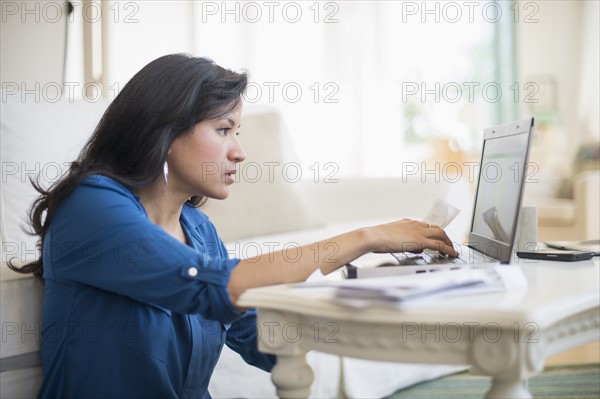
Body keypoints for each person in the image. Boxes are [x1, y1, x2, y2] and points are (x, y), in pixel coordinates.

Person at [9, 53, 458, 398]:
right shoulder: (92, 207)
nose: (239, 151)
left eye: (237, 131)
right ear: (163, 130)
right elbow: (210, 286)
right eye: (224, 129)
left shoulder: (199, 229)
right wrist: (365, 237)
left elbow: (261, 336)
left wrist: (378, 297)